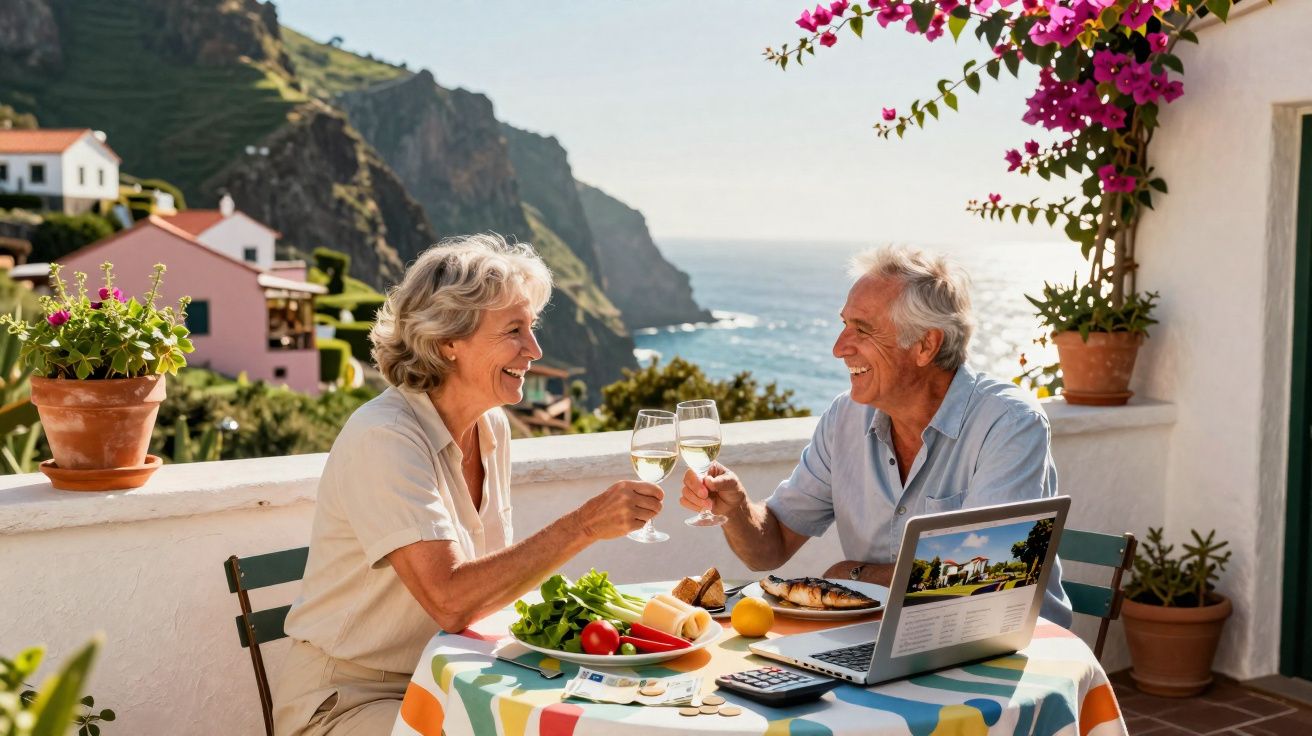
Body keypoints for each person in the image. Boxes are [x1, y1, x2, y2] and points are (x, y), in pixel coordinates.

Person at [273, 234, 664, 735]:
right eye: (514, 331)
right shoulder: (386, 438)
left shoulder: (491, 425)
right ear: (447, 342)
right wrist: (585, 525)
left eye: (532, 327)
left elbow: (488, 589)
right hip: (349, 701)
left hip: (449, 681)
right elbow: (450, 600)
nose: (535, 349)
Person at [680, 246, 1073, 626]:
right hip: (880, 639)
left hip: (1004, 648)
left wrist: (854, 574)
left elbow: (989, 577)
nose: (838, 348)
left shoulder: (1008, 423)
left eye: (862, 330)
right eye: (844, 324)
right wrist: (736, 510)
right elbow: (772, 546)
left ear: (925, 345)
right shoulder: (845, 418)